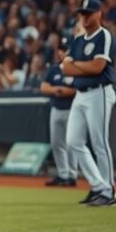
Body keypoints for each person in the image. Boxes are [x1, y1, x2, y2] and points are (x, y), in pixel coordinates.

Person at [63, 0, 116, 207]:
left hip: (100, 92)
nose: (84, 17)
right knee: (73, 141)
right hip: (81, 93)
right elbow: (65, 68)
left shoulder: (103, 35)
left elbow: (98, 68)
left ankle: (109, 191)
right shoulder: (78, 39)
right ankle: (98, 186)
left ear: (99, 13)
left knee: (99, 143)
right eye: (82, 13)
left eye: (88, 13)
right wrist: (81, 65)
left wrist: (77, 65)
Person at [40, 39, 77, 186]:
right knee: (56, 143)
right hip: (56, 108)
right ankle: (63, 174)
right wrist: (57, 90)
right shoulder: (54, 69)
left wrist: (61, 91)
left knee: (72, 144)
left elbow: (76, 90)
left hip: (71, 110)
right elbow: (44, 87)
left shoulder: (75, 68)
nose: (62, 52)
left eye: (65, 49)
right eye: (60, 49)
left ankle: (72, 175)